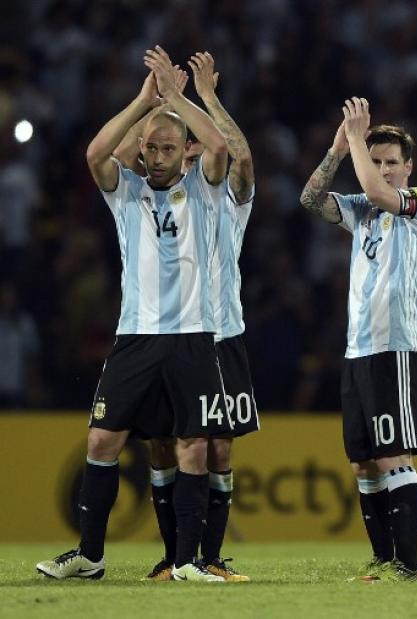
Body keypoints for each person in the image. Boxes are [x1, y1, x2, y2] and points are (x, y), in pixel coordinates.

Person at [36, 46, 232, 582]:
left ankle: (187, 561)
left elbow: (217, 144)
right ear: (142, 152)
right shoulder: (127, 195)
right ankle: (90, 555)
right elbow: (96, 155)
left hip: (192, 334)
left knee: (192, 445)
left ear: (182, 152)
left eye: (170, 148)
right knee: (102, 439)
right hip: (136, 337)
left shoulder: (205, 189)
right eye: (152, 148)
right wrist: (145, 102)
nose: (161, 156)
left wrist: (178, 100)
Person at [126, 52, 258, 582]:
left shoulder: (234, 196)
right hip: (170, 333)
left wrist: (204, 97)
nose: (200, 149)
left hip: (223, 334)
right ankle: (173, 556)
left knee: (219, 448)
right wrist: (155, 102)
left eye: (201, 140)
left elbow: (242, 157)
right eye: (189, 142)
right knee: (162, 443)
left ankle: (210, 557)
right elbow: (127, 153)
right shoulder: (167, 195)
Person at [299, 97, 417, 582]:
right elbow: (310, 200)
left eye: (391, 163)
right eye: (376, 161)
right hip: (357, 348)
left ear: (409, 167)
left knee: (391, 454)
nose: (383, 170)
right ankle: (383, 562)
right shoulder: (360, 211)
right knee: (363, 464)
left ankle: (410, 566)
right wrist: (338, 149)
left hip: (396, 345)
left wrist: (358, 141)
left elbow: (379, 195)